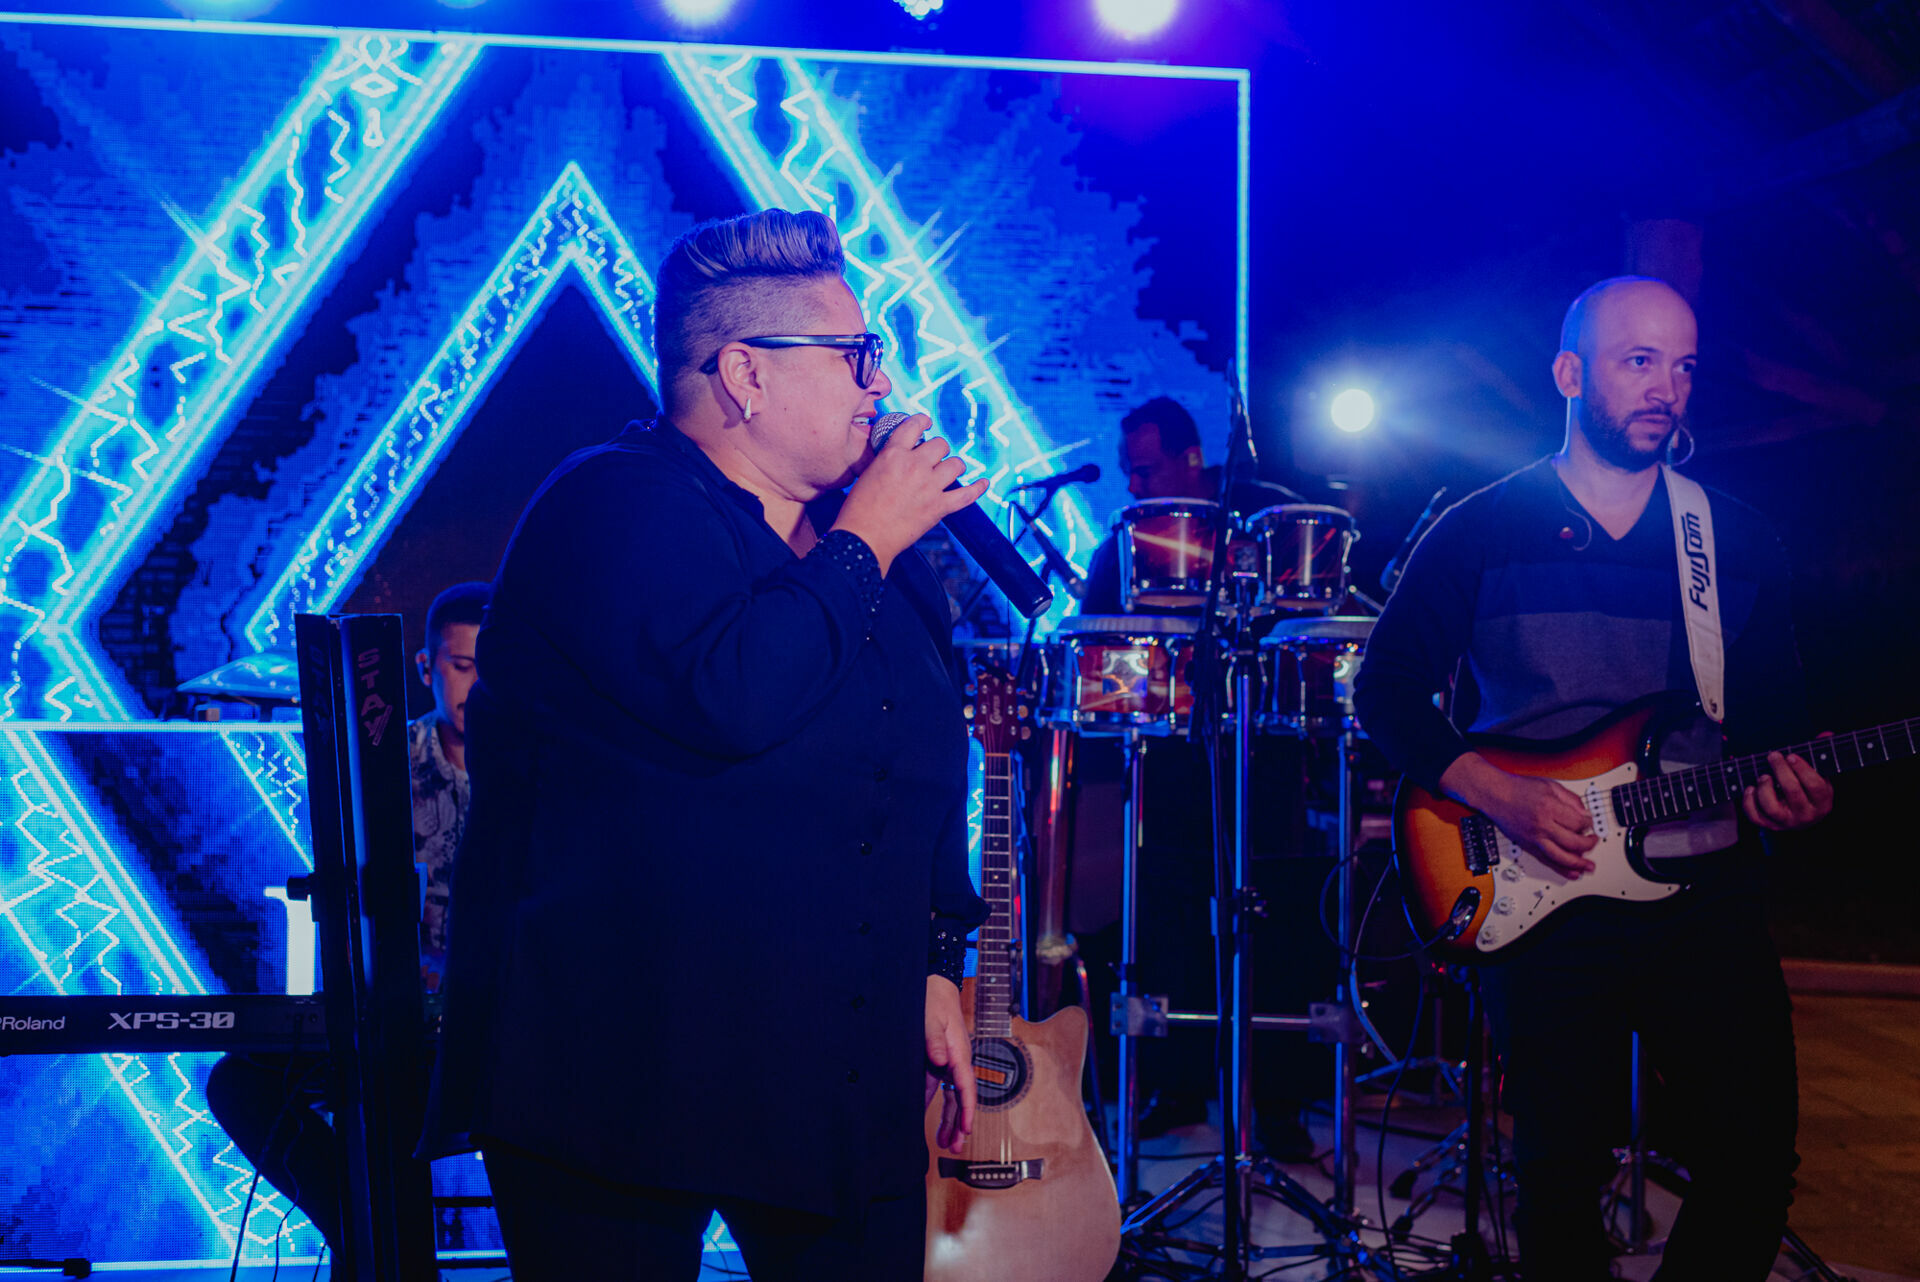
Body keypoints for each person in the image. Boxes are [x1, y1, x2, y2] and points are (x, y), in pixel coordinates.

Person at [423, 209, 989, 1281]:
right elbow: (735, 694)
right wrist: (868, 536)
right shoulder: (612, 503)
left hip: (827, 1049)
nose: (879, 383)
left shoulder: (863, 542)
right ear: (745, 373)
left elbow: (916, 758)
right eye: (854, 353)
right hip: (626, 1060)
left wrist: (932, 965)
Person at [1353, 276, 1831, 1280]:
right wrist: (1496, 790)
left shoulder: (1735, 538)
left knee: (1752, 1162)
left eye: (1684, 365)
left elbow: (1776, 727)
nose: (1667, 387)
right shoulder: (1481, 527)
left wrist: (1796, 791)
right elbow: (1384, 688)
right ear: (1570, 374)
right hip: (1543, 881)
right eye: (1639, 361)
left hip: (1707, 889)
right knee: (1560, 1178)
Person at [205, 580, 491, 1253]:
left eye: (491, 667)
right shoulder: (380, 768)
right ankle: (359, 1234)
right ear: (426, 668)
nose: (476, 687)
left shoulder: (542, 772)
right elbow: (350, 896)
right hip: (399, 1021)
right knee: (242, 1083)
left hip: (502, 1031)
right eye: (462, 665)